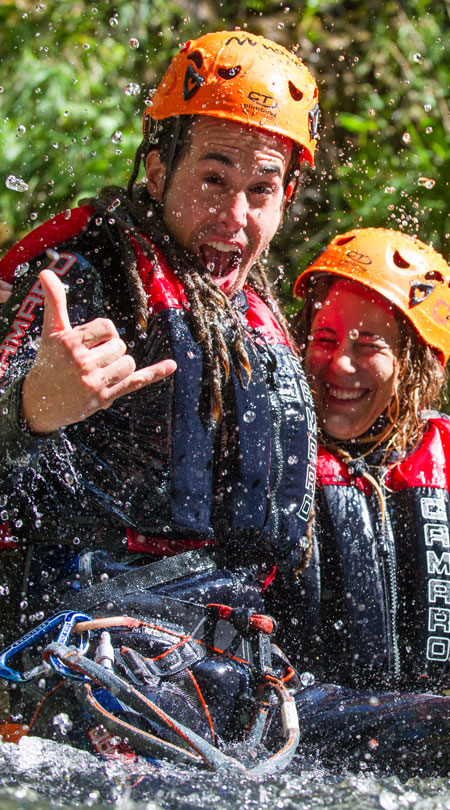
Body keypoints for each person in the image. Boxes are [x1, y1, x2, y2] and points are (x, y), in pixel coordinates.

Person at [0, 31, 318, 766]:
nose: (235, 217)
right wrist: (31, 410)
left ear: (285, 198)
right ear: (157, 168)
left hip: (233, 667)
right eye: (213, 178)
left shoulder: (258, 322)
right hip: (88, 653)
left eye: (260, 189)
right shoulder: (88, 280)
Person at [269, 227, 450, 775]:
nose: (339, 366)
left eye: (368, 345)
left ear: (422, 365)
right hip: (298, 734)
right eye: (324, 338)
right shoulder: (265, 457)